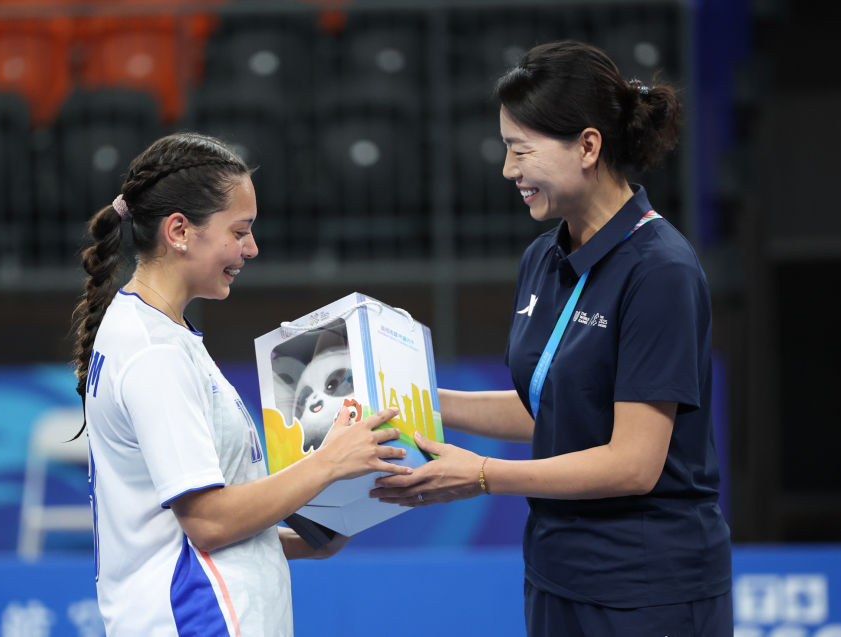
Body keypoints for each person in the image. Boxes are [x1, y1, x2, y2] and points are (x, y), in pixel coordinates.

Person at [371, 41, 733, 635]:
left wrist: (483, 475)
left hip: (649, 588)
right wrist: (420, 403)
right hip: (556, 574)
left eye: (521, 150)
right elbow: (554, 408)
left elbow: (634, 464)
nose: (507, 170)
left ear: (588, 146)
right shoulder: (543, 257)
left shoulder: (660, 269)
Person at [70, 131, 410, 636]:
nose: (252, 248)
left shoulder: (157, 333)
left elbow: (187, 530)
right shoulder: (154, 352)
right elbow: (207, 523)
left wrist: (317, 535)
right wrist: (329, 462)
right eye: (240, 230)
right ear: (179, 231)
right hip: (200, 621)